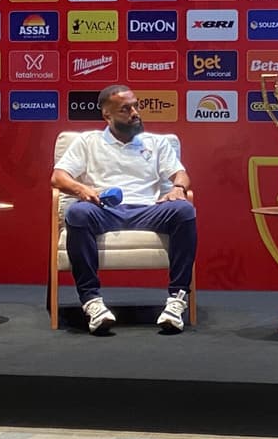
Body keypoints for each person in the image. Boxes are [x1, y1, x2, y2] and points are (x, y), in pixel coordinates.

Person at [51, 85, 197, 334]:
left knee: (184, 210)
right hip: (104, 210)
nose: (135, 113)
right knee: (77, 213)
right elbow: (58, 177)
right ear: (107, 115)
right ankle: (92, 302)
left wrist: (178, 188)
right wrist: (82, 190)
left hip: (148, 210)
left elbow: (180, 174)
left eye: (136, 106)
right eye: (125, 109)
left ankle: (177, 300)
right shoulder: (88, 142)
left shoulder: (157, 143)